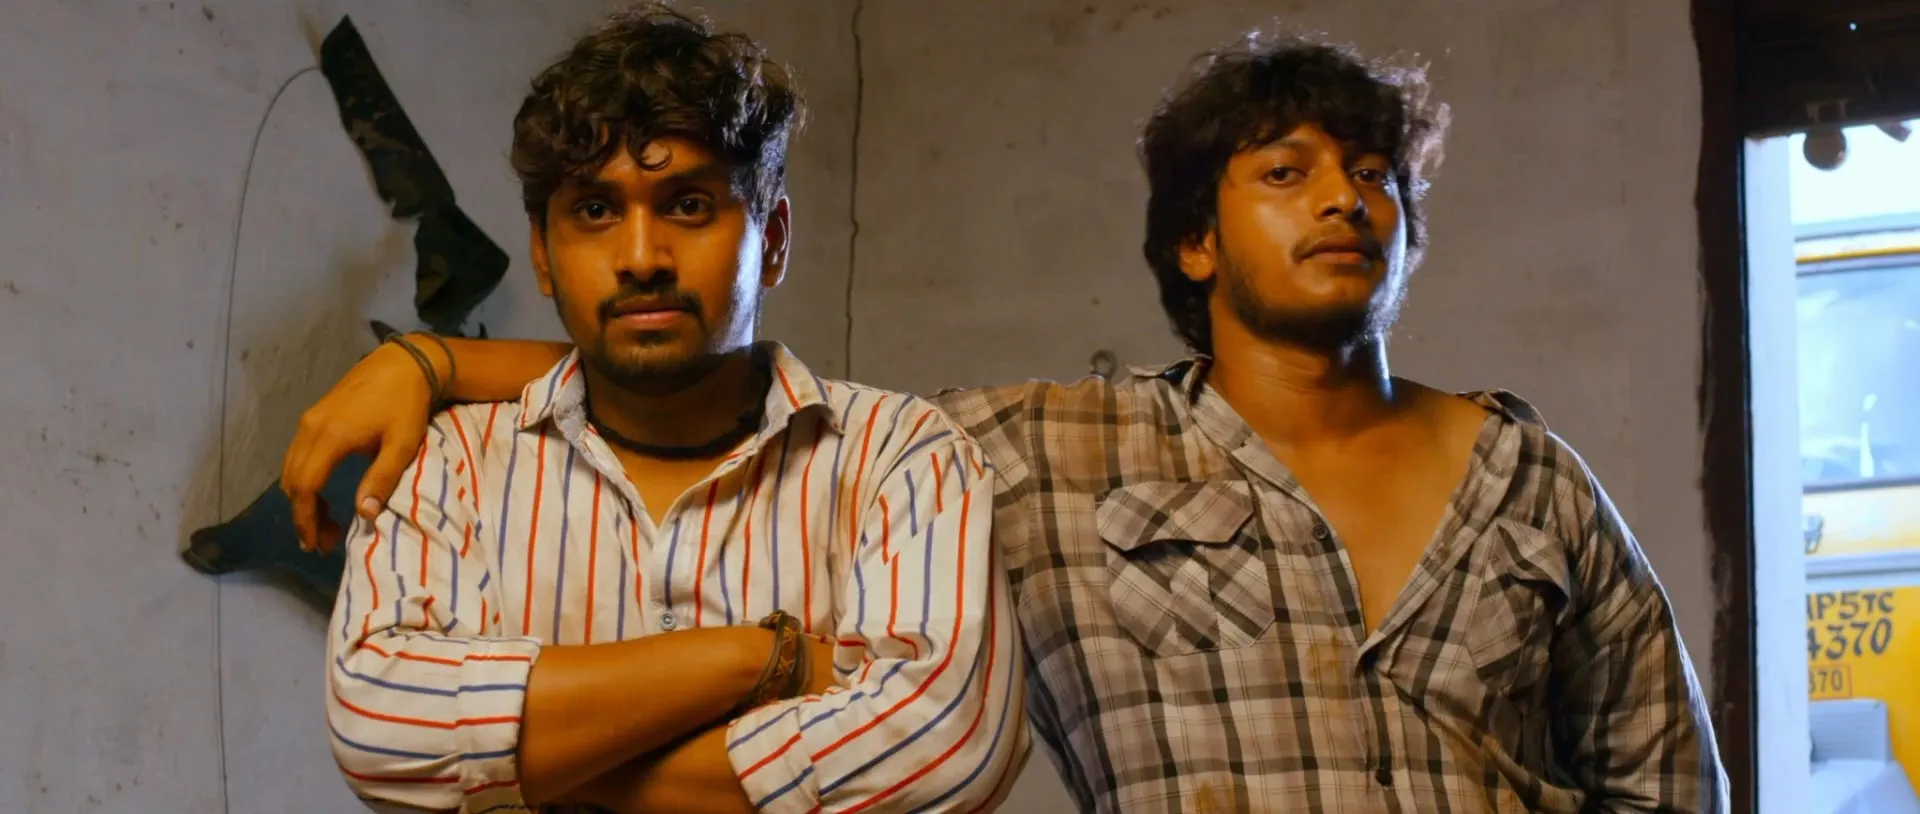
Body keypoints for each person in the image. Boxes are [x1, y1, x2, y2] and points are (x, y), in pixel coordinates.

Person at [289, 26, 1726, 814]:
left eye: (1374, 174)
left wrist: (545, 774)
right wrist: (436, 364)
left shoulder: (1532, 478)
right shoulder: (1047, 453)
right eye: (1287, 171)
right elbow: (718, 379)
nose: (1346, 198)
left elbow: (1668, 788)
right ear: (1195, 241)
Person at [317, 6, 1025, 813]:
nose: (641, 258)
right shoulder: (450, 461)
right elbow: (378, 730)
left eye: (688, 205)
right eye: (595, 211)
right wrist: (762, 658)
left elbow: (941, 754)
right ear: (543, 253)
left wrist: (542, 761)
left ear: (773, 238)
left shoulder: (899, 456)